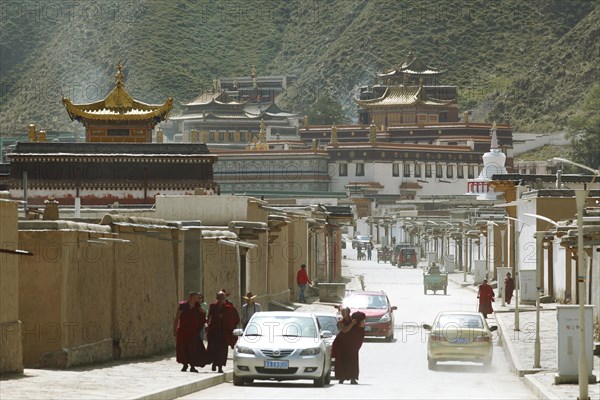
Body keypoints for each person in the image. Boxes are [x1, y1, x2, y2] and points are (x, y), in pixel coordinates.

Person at [173, 291, 208, 372]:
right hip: (183, 331)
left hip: (193, 333)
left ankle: (192, 366)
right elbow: (176, 318)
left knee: (193, 349)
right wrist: (174, 330)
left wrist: (203, 313)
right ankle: (185, 365)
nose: (198, 299)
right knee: (183, 349)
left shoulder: (198, 307)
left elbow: (202, 317)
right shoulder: (183, 306)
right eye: (196, 297)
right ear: (191, 297)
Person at [207, 291, 240, 373]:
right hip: (214, 331)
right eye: (220, 298)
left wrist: (225, 319)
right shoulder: (213, 306)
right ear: (217, 298)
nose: (221, 300)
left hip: (224, 332)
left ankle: (220, 367)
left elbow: (235, 318)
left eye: (223, 298)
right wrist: (207, 325)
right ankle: (214, 363)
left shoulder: (228, 307)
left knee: (222, 350)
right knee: (214, 348)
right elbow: (209, 317)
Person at [332, 307, 365, 385]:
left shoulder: (353, 320)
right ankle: (341, 378)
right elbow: (345, 330)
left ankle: (353, 378)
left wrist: (359, 322)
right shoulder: (340, 322)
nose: (343, 314)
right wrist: (352, 324)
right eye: (342, 312)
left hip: (352, 344)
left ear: (349, 313)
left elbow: (361, 326)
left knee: (352, 361)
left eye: (345, 312)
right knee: (342, 360)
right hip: (342, 344)